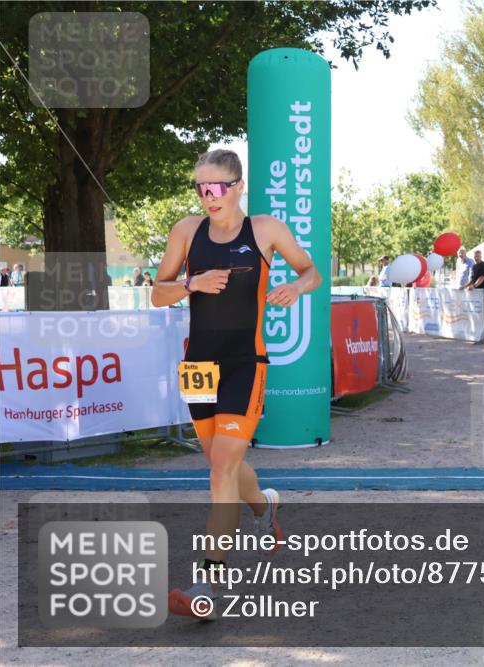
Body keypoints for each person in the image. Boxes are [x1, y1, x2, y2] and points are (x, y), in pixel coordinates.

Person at [151, 149, 322, 618]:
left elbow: (312, 271)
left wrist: (296, 288)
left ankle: (209, 584)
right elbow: (157, 292)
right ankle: (265, 507)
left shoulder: (265, 230)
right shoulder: (186, 232)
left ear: (238, 186)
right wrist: (192, 284)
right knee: (218, 461)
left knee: (221, 468)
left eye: (217, 187)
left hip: (247, 362)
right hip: (199, 363)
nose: (208, 197)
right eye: (200, 188)